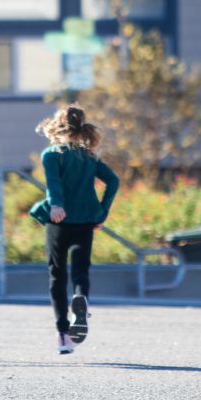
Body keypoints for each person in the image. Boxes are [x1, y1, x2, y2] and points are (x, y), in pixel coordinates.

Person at [29, 106, 120, 356]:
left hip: (59, 221)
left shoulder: (51, 154)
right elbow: (113, 181)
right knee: (81, 271)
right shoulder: (89, 157)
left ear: (57, 127)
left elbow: (54, 184)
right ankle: (80, 300)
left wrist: (57, 205)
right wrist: (102, 211)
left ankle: (63, 334)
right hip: (86, 221)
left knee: (56, 275)